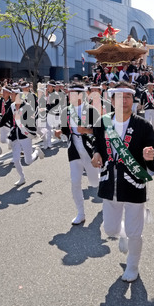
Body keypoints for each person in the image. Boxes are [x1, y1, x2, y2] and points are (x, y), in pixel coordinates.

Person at [91, 81, 154, 282]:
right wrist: (96, 154)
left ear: (133, 100)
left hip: (133, 184)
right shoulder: (104, 122)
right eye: (119, 97)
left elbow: (153, 149)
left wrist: (149, 157)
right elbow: (97, 144)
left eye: (128, 96)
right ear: (112, 100)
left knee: (135, 231)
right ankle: (123, 234)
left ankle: (133, 267)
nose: (124, 101)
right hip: (109, 183)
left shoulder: (143, 125)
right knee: (110, 229)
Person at [55, 83, 100, 225]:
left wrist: (86, 131)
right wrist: (60, 132)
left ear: (81, 95)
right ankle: (80, 213)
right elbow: (64, 128)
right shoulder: (65, 111)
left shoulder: (92, 111)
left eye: (72, 93)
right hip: (74, 148)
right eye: (69, 93)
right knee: (75, 182)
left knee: (94, 182)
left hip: (89, 149)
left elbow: (100, 132)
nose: (69, 96)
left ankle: (109, 197)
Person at [0, 87, 44, 186]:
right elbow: (5, 118)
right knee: (16, 159)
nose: (11, 95)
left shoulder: (27, 107)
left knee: (28, 161)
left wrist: (21, 118)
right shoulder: (12, 106)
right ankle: (22, 177)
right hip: (14, 136)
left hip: (25, 135)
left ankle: (37, 152)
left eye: (12, 94)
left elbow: (32, 121)